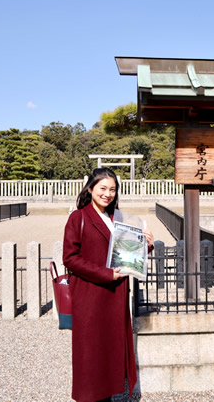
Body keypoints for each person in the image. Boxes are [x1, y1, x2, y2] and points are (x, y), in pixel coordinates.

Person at [63, 168, 154, 402]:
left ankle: (109, 394)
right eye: (102, 188)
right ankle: (91, 397)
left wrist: (146, 246)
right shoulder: (78, 217)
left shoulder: (118, 218)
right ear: (90, 188)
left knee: (110, 348)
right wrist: (105, 274)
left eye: (112, 189)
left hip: (115, 294)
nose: (107, 194)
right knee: (91, 350)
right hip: (91, 295)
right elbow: (70, 258)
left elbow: (124, 252)